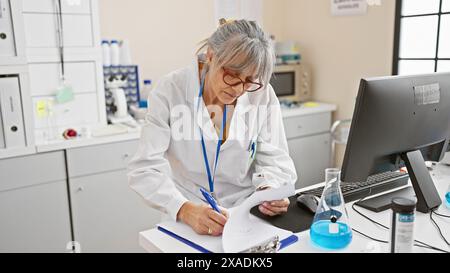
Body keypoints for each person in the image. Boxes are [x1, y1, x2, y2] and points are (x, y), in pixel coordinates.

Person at [127, 19, 297, 236]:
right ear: (210, 55)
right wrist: (184, 209)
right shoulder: (171, 90)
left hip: (245, 213)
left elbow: (276, 159)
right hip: (187, 214)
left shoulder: (260, 94)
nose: (239, 89)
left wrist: (269, 190)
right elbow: (143, 168)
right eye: (232, 75)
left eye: (249, 80)